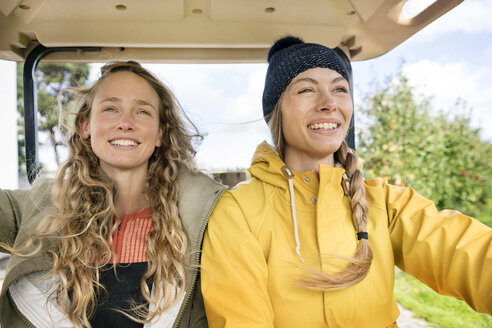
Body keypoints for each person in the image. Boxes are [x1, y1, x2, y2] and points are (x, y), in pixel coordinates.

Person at [200, 36, 492, 327]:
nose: (329, 103)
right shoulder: (237, 212)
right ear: (276, 110)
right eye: (306, 89)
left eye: (340, 88)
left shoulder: (385, 202)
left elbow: (471, 255)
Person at [0, 61, 226, 328]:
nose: (125, 123)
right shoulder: (38, 205)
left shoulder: (203, 214)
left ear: (160, 134)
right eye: (110, 109)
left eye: (142, 111)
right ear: (85, 126)